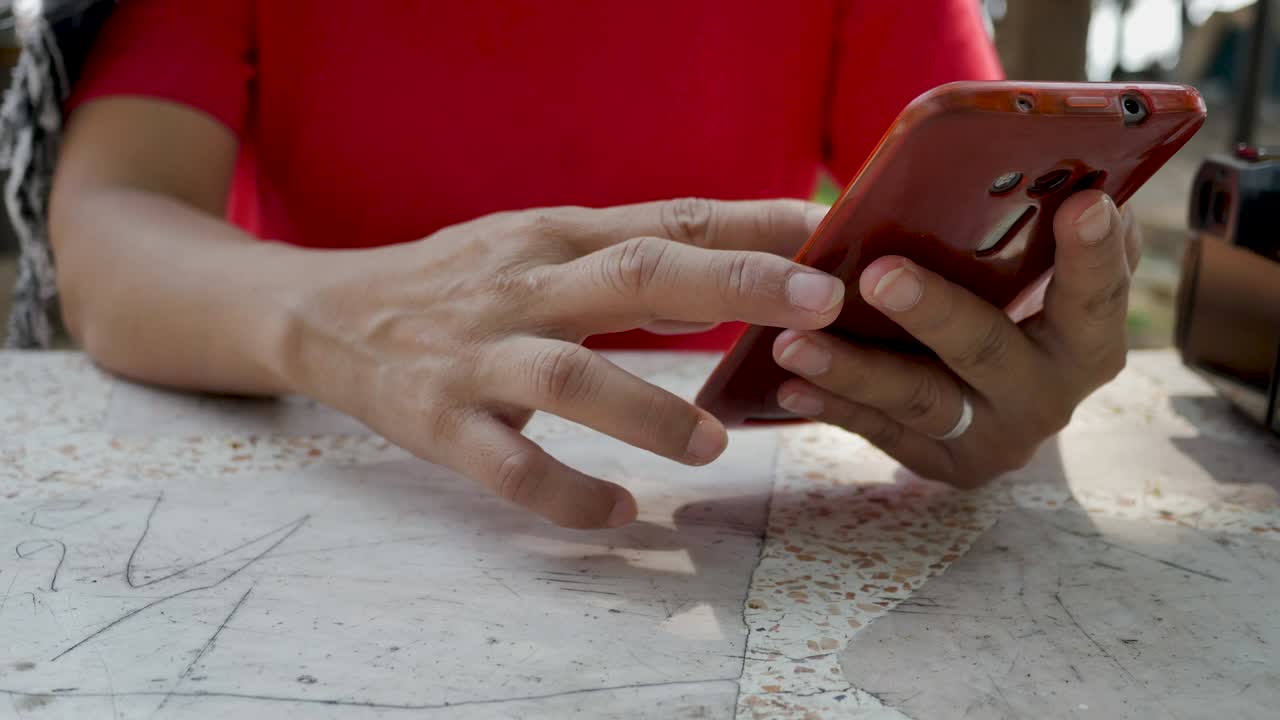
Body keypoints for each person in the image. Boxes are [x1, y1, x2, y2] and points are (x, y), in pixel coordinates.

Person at [45, 1, 1140, 529]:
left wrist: (1000, 379)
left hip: (718, 513)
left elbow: (982, 225)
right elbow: (108, 220)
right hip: (326, 505)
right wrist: (335, 317)